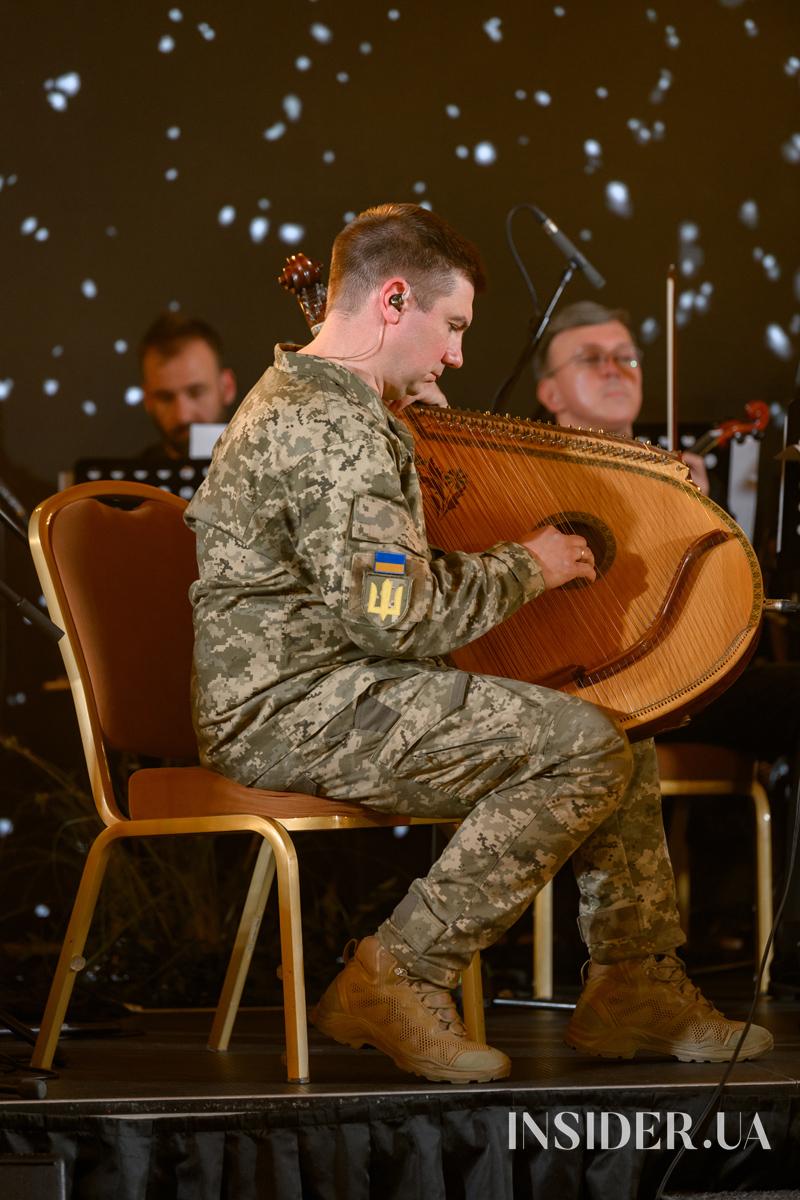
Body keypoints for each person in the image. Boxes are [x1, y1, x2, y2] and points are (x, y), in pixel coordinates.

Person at [185, 206, 771, 1084]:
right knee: (579, 747)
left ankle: (630, 983)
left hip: (347, 683)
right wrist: (529, 565)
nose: (456, 354)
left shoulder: (344, 405)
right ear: (393, 299)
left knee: (616, 716)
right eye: (451, 326)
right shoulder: (331, 428)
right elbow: (396, 617)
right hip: (294, 707)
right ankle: (397, 973)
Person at [535, 299, 800, 990]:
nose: (616, 368)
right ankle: (594, 962)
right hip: (593, 676)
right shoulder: (532, 473)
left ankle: (764, 934)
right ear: (551, 392)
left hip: (693, 672)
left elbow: (732, 608)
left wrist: (704, 525)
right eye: (591, 358)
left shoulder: (681, 471)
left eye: (627, 355)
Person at [138, 313, 237, 460]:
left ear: (227, 387)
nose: (183, 416)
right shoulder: (127, 482)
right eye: (165, 398)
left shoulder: (272, 473)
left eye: (196, 392)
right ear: (147, 399)